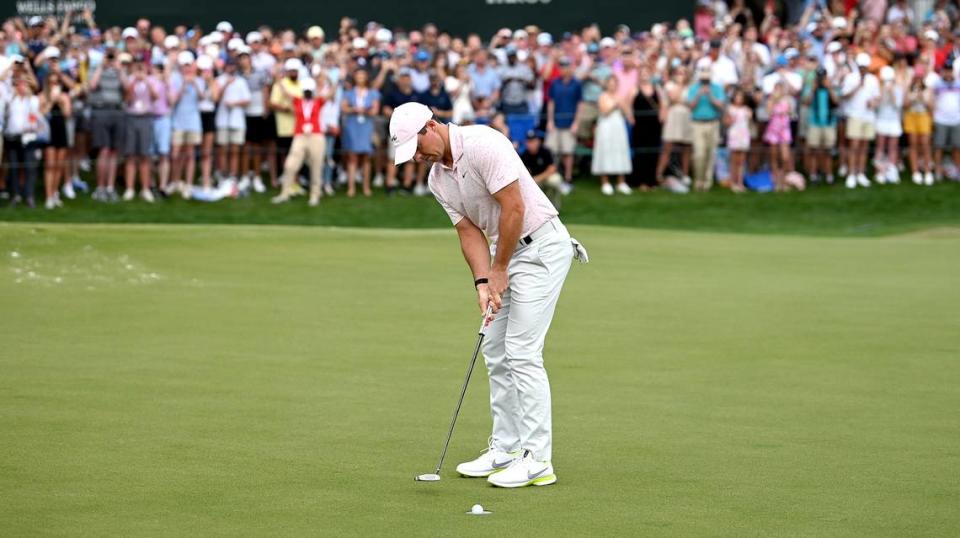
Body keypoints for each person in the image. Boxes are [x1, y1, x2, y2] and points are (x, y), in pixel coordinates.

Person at [389, 101, 588, 488]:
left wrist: (499, 270)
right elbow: (468, 232)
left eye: (417, 146)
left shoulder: (483, 143)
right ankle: (506, 448)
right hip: (506, 255)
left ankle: (537, 460)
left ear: (432, 126)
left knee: (522, 351)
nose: (416, 157)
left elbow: (513, 208)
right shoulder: (437, 179)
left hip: (541, 248)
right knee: (494, 349)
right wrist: (483, 282)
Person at [271, 77, 327, 206]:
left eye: (309, 91)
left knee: (316, 166)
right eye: (305, 90)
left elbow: (330, 93)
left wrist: (331, 79)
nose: (307, 93)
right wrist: (278, 79)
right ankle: (285, 193)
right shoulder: (298, 101)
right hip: (300, 135)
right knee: (290, 165)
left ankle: (315, 194)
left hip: (316, 135)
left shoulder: (318, 101)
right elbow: (285, 92)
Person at [87, 48, 126, 202]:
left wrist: (119, 69)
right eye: (108, 55)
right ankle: (100, 187)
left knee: (114, 151)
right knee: (103, 150)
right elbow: (92, 86)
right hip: (101, 110)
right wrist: (102, 67)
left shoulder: (119, 69)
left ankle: (110, 187)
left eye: (112, 55)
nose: (110, 58)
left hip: (116, 110)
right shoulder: (95, 68)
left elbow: (127, 87)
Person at [842, 53, 880, 189]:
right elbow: (844, 95)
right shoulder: (851, 78)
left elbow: (877, 97)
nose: (863, 69)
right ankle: (851, 173)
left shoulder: (873, 79)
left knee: (864, 146)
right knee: (854, 145)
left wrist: (873, 103)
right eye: (861, 67)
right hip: (854, 115)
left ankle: (860, 173)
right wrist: (857, 86)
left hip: (868, 116)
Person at [121, 59, 157, 202]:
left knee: (144, 155)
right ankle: (129, 188)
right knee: (130, 154)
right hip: (131, 117)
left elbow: (155, 97)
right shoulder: (130, 80)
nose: (140, 69)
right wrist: (134, 82)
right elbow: (127, 98)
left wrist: (146, 82)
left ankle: (145, 188)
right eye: (137, 67)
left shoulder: (151, 80)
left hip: (146, 117)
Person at [169, 51, 204, 199]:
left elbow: (203, 98)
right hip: (178, 121)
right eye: (184, 66)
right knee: (176, 154)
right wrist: (183, 84)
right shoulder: (175, 79)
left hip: (193, 122)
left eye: (189, 65)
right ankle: (175, 181)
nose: (187, 68)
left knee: (190, 154)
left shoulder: (199, 79)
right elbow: (172, 101)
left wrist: (194, 83)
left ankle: (188, 184)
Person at [687, 60, 726, 191]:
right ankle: (698, 180)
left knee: (710, 153)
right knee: (699, 153)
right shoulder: (693, 88)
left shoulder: (716, 88)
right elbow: (690, 106)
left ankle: (707, 183)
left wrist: (710, 95)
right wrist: (699, 94)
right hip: (697, 124)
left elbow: (721, 105)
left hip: (713, 123)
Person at [214, 58, 251, 194]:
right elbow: (216, 98)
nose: (230, 68)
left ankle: (233, 176)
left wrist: (234, 104)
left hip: (237, 120)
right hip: (222, 120)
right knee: (223, 149)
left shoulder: (241, 81)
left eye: (232, 66)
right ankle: (223, 176)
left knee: (235, 150)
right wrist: (226, 86)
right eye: (228, 66)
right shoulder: (219, 80)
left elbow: (247, 100)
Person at [341, 69, 380, 197]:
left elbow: (375, 110)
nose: (360, 77)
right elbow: (344, 108)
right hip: (353, 125)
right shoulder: (349, 93)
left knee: (366, 157)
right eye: (358, 75)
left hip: (367, 125)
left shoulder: (373, 93)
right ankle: (351, 187)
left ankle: (366, 187)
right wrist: (355, 109)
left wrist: (365, 111)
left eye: (363, 75)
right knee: (352, 157)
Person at [591, 76, 633, 195]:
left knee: (620, 151)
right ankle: (605, 182)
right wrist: (615, 104)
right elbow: (604, 111)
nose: (612, 85)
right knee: (606, 152)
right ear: (606, 84)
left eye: (614, 83)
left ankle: (621, 182)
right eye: (610, 83)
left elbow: (627, 113)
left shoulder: (620, 97)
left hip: (618, 127)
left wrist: (623, 105)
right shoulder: (602, 96)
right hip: (606, 127)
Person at [5, 77, 42, 208]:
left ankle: (29, 196)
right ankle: (15, 195)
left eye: (25, 85)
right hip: (12, 137)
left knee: (29, 168)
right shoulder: (11, 99)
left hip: (28, 138)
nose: (22, 87)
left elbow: (34, 118)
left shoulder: (33, 101)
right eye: (20, 84)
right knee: (14, 168)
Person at [546, 57, 581, 191]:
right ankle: (553, 178)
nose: (563, 69)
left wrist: (576, 122)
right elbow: (551, 103)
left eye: (565, 66)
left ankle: (568, 179)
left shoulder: (576, 84)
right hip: (556, 122)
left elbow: (579, 104)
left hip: (569, 122)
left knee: (568, 152)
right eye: (561, 66)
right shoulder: (555, 83)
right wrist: (550, 121)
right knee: (553, 151)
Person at [656, 64, 693, 186]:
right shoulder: (670, 85)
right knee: (667, 146)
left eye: (683, 73)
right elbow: (673, 98)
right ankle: (659, 174)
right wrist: (681, 85)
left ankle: (685, 174)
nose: (681, 75)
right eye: (678, 73)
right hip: (673, 115)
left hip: (687, 116)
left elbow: (691, 103)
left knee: (687, 147)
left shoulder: (691, 87)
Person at [40, 71, 72, 209]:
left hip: (61, 130)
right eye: (52, 82)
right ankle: (48, 196)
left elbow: (67, 114)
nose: (55, 85)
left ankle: (54, 193)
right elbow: (41, 113)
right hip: (48, 132)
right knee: (50, 165)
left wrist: (61, 101)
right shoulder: (42, 96)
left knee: (59, 165)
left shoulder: (64, 96)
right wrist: (51, 100)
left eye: (57, 82)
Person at [803, 66, 839, 185]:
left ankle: (828, 175)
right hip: (814, 122)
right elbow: (806, 103)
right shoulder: (811, 87)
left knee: (828, 151)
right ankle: (814, 175)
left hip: (829, 122)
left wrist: (829, 88)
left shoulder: (830, 87)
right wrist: (813, 90)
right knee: (813, 150)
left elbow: (836, 102)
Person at [873, 66, 904, 184]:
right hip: (881, 120)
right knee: (880, 147)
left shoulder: (898, 89)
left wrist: (891, 92)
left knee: (893, 147)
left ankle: (891, 170)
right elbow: (876, 106)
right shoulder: (878, 89)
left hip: (893, 121)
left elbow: (898, 105)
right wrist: (881, 93)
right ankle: (879, 171)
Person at [520, 129, 565, 206]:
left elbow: (552, 168)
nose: (531, 144)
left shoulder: (545, 151)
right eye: (529, 141)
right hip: (533, 180)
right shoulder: (524, 155)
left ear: (538, 141)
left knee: (555, 180)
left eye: (533, 141)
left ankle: (555, 205)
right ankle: (535, 207)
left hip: (545, 177)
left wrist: (539, 178)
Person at [903, 75, 934, 186]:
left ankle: (927, 171)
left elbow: (931, 107)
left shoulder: (928, 89)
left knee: (925, 144)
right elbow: (905, 105)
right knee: (913, 144)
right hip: (911, 117)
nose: (917, 81)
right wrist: (913, 98)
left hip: (924, 116)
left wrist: (922, 98)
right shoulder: (908, 89)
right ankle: (915, 172)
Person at [932, 61, 960, 184]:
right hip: (941, 120)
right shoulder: (937, 84)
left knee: (957, 147)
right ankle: (938, 170)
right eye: (946, 70)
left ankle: (957, 170)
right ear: (943, 71)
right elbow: (932, 100)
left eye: (950, 70)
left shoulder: (958, 84)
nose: (948, 73)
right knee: (939, 146)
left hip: (956, 120)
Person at [763, 81, 794, 191]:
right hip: (774, 130)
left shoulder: (787, 100)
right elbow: (768, 112)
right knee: (774, 156)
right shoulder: (771, 100)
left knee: (785, 157)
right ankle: (775, 181)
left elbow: (790, 113)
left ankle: (783, 180)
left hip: (784, 130)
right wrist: (774, 100)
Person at [725, 88, 752, 193]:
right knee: (734, 160)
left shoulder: (746, 110)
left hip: (743, 135)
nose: (739, 98)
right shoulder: (730, 109)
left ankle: (740, 182)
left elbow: (749, 121)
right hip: (734, 135)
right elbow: (726, 122)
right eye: (737, 96)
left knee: (741, 161)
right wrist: (730, 120)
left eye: (741, 96)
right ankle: (733, 182)